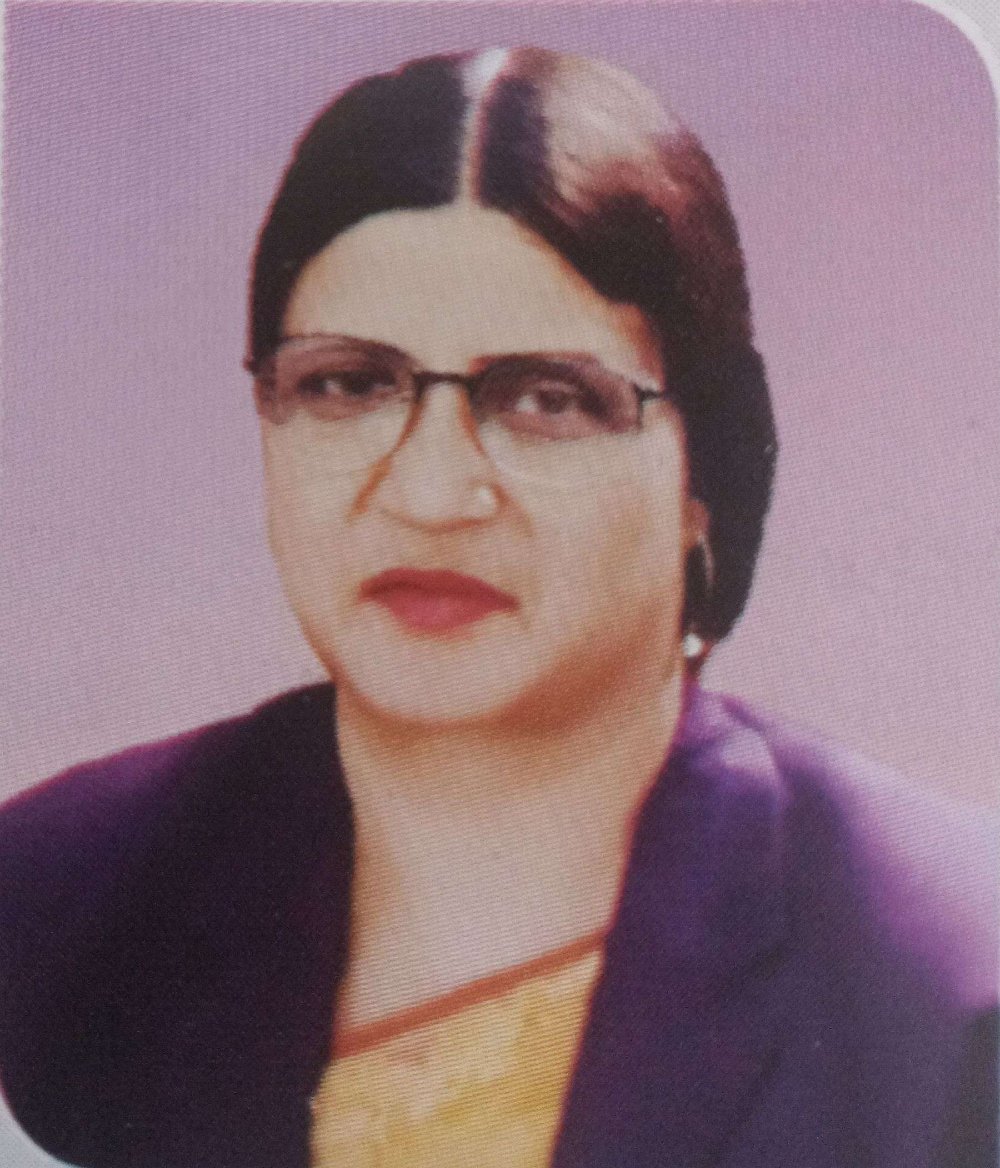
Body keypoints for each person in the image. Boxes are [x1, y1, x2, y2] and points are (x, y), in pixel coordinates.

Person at [0, 46, 995, 1168]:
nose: (430, 494)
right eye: (348, 383)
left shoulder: (948, 989)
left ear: (704, 474)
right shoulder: (49, 896)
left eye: (547, 399)